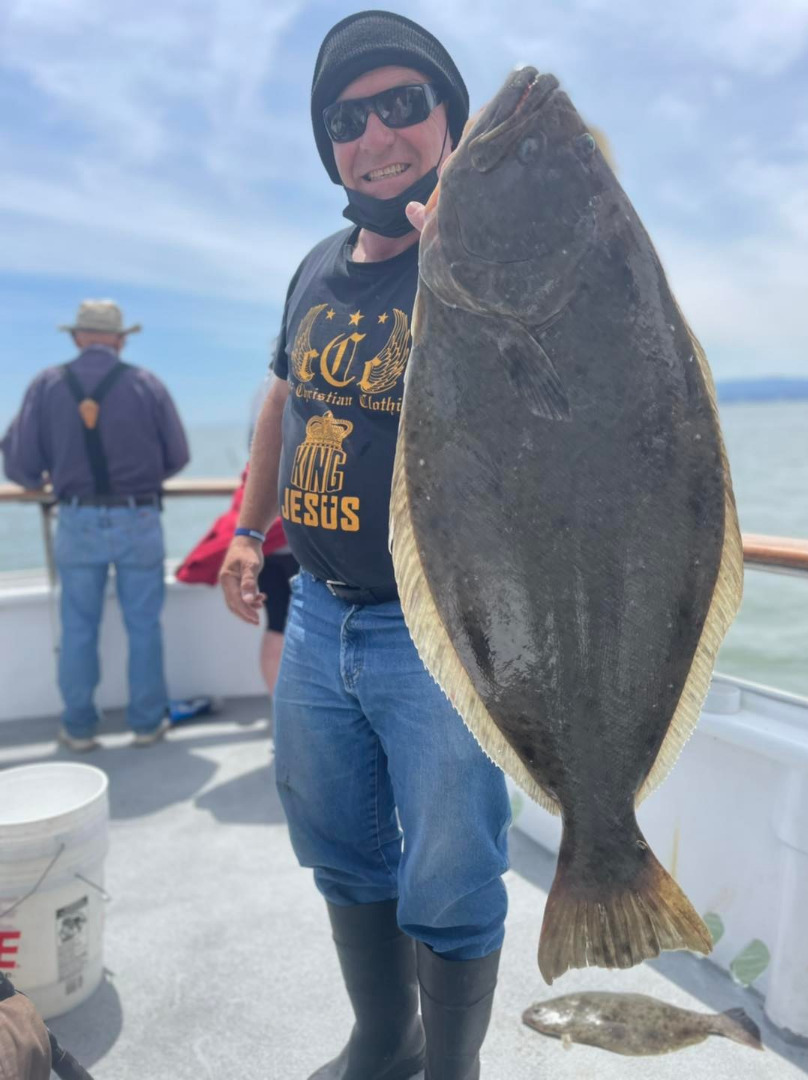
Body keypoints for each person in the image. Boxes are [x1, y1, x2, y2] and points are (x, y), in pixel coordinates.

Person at [219, 12, 510, 1080]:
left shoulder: (485, 266)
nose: (376, 135)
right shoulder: (314, 268)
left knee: (453, 873)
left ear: (448, 118)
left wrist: (470, 271)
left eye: (403, 105)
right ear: (325, 141)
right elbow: (280, 403)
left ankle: (452, 1066)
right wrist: (251, 534)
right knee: (340, 850)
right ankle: (385, 1041)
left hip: (440, 635)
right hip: (320, 613)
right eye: (347, 117)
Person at [1, 299, 189, 752]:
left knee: (77, 626)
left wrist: (46, 478)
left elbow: (20, 463)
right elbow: (178, 455)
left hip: (77, 517)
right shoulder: (146, 384)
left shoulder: (46, 385)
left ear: (76, 337)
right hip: (138, 514)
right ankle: (146, 723)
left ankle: (79, 727)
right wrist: (140, 480)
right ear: (120, 339)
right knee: (144, 625)